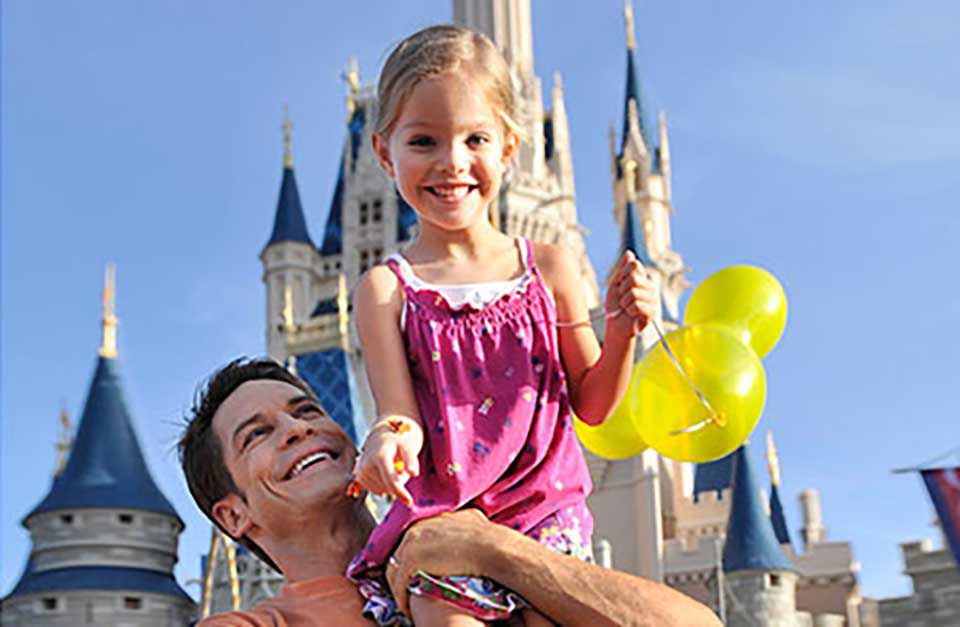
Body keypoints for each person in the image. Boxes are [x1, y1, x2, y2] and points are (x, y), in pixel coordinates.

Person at [347, 24, 658, 627]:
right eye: (423, 141)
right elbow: (399, 413)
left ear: (511, 147)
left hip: (548, 517)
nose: (452, 162)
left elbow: (591, 405)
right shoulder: (386, 290)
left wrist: (621, 333)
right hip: (445, 522)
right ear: (384, 153)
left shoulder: (550, 266)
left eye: (475, 139)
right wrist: (388, 441)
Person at [179, 358, 721, 626]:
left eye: (308, 411)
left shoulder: (486, 546)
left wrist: (494, 551)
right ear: (232, 515)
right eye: (259, 435)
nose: (299, 429)